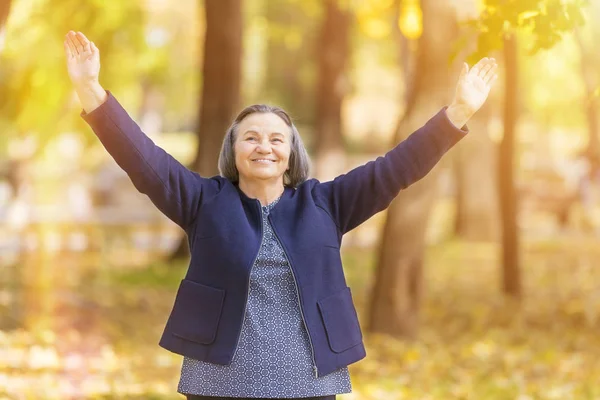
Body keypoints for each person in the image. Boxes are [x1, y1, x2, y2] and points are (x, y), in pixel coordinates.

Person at [64, 30, 497, 400]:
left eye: (276, 139)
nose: (264, 146)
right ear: (233, 151)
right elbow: (145, 161)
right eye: (250, 138)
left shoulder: (327, 204)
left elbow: (395, 169)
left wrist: (456, 113)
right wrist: (92, 92)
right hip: (220, 380)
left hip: (308, 380)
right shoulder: (204, 201)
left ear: (291, 154)